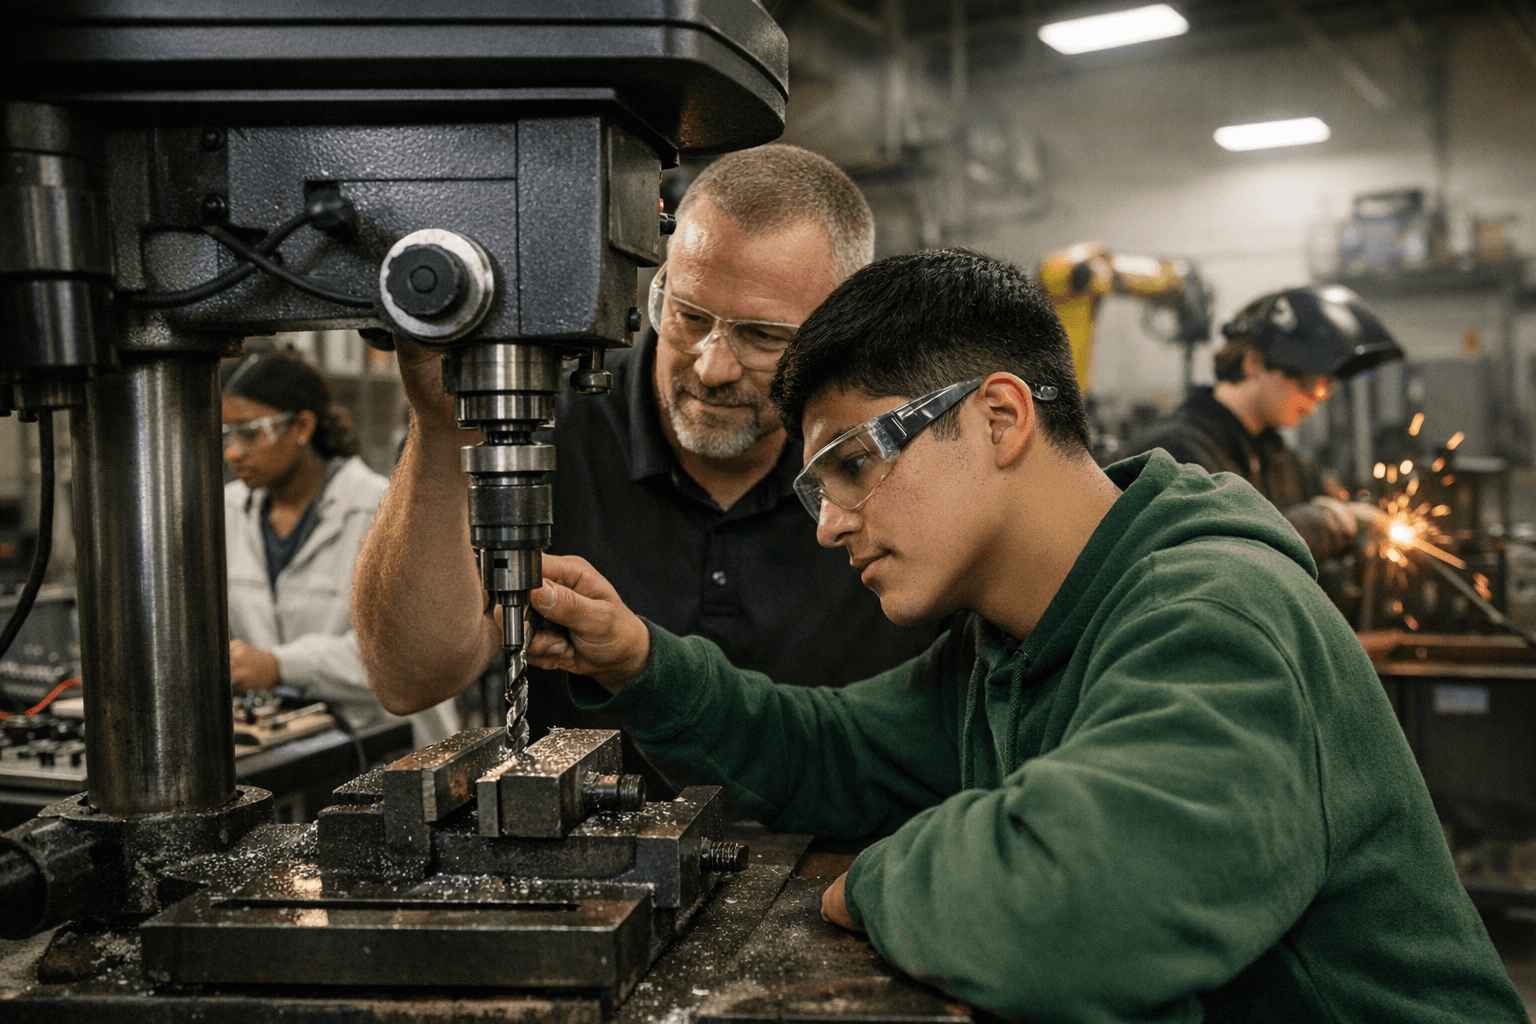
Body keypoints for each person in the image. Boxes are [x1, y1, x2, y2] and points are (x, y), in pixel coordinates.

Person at [370, 249, 1524, 1020]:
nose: (829, 523)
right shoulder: (1009, 642)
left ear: (1000, 415)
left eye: (852, 465)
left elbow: (1077, 910)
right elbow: (829, 748)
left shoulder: (1213, 611)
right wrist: (642, 662)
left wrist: (876, 878)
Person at [354, 144, 944, 788]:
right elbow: (409, 681)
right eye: (688, 317)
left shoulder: (898, 460)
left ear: (840, 331)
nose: (711, 368)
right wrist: (442, 431)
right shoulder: (536, 428)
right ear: (657, 286)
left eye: (763, 337)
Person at [222, 352, 457, 748]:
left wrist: (280, 666)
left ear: (302, 426)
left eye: (249, 433)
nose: (233, 452)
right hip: (292, 742)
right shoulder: (227, 511)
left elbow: (406, 655)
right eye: (227, 435)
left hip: (392, 744)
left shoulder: (382, 509)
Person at [1128, 285, 1402, 563]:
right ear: (1254, 363)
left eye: (1327, 385)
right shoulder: (1176, 453)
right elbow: (1221, 559)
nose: (1318, 397)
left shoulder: (1279, 458)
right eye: (1308, 381)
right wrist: (1322, 524)